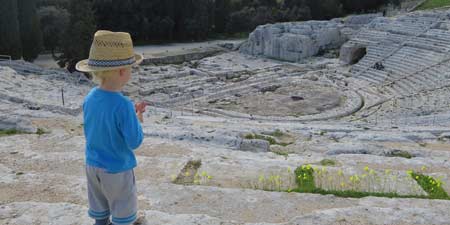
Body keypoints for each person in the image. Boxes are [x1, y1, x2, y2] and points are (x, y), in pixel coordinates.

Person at [76, 30, 147, 225]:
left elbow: (98, 124)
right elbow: (135, 141)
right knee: (122, 211)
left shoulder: (90, 97)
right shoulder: (123, 105)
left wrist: (129, 116)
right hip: (116, 168)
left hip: (92, 165)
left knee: (100, 211)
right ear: (123, 71)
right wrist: (137, 119)